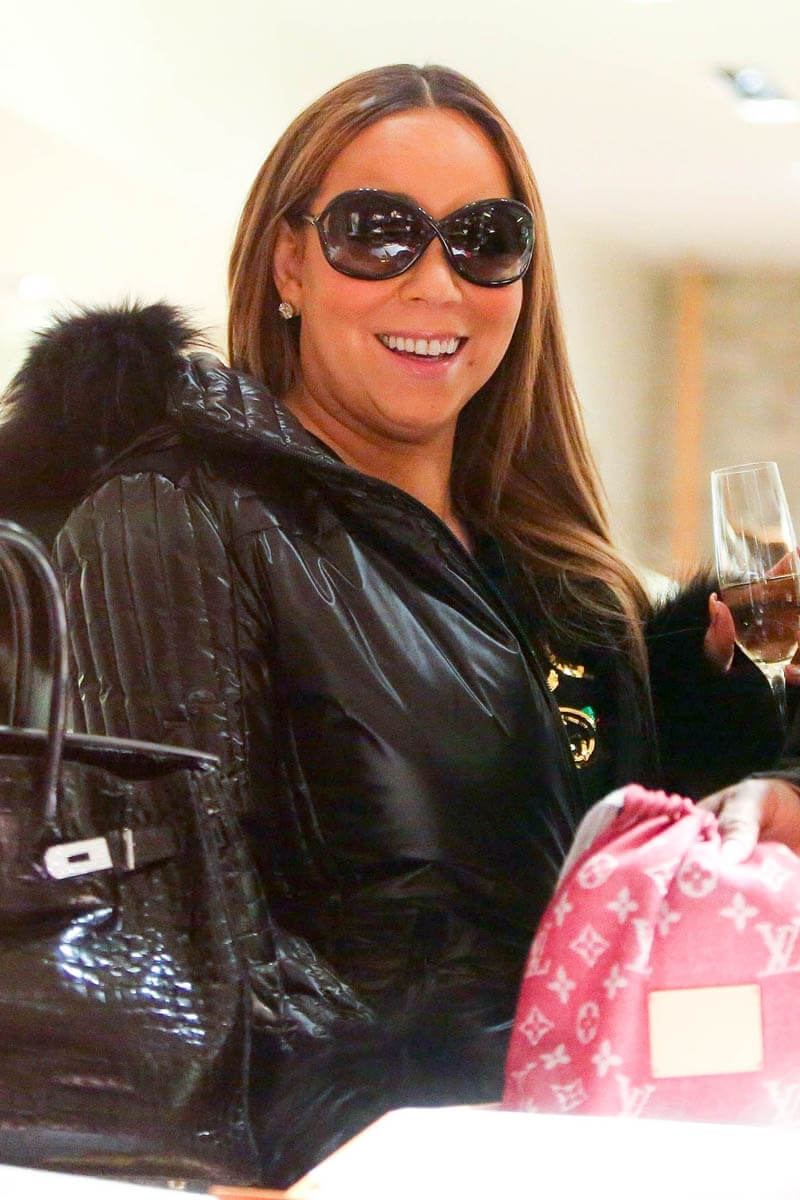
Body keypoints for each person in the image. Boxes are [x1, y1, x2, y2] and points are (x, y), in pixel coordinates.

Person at [2, 62, 800, 1184]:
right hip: (356, 1172)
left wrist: (745, 739)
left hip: (577, 1154)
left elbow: (620, 903)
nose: (436, 283)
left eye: (483, 240)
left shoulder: (560, 577)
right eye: (376, 233)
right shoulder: (171, 516)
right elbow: (177, 938)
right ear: (288, 261)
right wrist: (402, 1139)